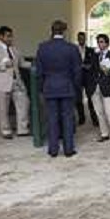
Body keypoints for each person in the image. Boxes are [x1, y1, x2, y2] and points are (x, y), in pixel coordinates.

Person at [35, 20, 82, 157]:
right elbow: (77, 71)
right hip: (67, 86)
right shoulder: (72, 48)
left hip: (49, 86)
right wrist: (76, 87)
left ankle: (53, 149)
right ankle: (68, 149)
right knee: (67, 118)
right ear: (64, 32)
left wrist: (41, 87)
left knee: (52, 118)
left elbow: (39, 71)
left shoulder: (43, 47)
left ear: (52, 31)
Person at [0, 26, 31, 139]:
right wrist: (3, 65)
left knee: (24, 103)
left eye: (11, 36)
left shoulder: (14, 49)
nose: (10, 38)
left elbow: (22, 63)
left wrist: (36, 64)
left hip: (17, 80)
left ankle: (22, 129)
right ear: (0, 36)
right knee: (3, 107)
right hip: (2, 83)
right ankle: (5, 130)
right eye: (8, 36)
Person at [87, 33, 110, 144]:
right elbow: (90, 70)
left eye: (102, 42)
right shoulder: (95, 56)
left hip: (106, 87)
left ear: (107, 43)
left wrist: (108, 71)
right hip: (94, 87)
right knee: (99, 112)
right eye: (98, 42)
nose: (99, 44)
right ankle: (104, 134)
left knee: (109, 111)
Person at [75, 31, 98, 126]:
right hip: (78, 77)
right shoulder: (74, 50)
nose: (81, 40)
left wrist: (89, 66)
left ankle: (94, 118)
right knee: (78, 99)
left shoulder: (91, 50)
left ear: (85, 39)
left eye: (83, 38)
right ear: (77, 39)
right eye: (80, 38)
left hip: (88, 77)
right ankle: (81, 118)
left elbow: (94, 63)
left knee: (91, 98)